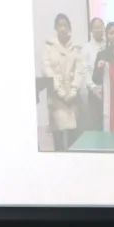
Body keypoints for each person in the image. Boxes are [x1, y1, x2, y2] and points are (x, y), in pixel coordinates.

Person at [42, 13, 85, 151]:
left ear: (69, 28)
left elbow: (80, 71)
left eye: (65, 25)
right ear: (55, 27)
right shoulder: (49, 46)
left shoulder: (76, 47)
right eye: (60, 25)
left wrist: (73, 90)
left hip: (72, 97)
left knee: (73, 136)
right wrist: (59, 90)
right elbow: (46, 69)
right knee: (58, 136)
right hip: (56, 97)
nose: (62, 28)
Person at [81, 17, 106, 130]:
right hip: (94, 92)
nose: (98, 29)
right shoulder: (86, 48)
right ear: (91, 30)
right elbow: (85, 70)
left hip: (109, 91)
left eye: (100, 27)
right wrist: (94, 88)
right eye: (96, 27)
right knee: (96, 125)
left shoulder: (108, 45)